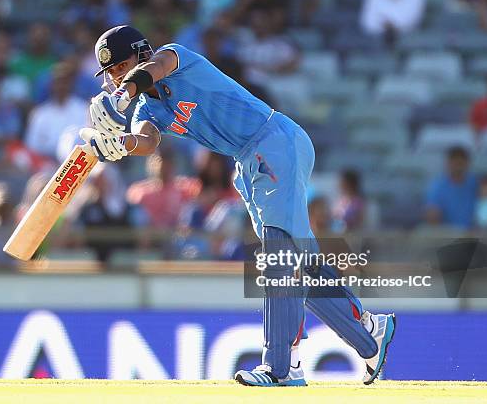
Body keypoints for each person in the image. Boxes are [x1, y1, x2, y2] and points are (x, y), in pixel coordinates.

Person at [80, 25, 396, 387]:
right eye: (111, 73)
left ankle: (282, 367)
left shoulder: (173, 57)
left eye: (121, 66)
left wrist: (125, 90)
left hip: (273, 139)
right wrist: (120, 145)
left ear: (139, 53)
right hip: (248, 161)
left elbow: (156, 68)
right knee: (298, 264)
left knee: (279, 254)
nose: (117, 77)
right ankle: (370, 333)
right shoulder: (145, 109)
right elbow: (146, 142)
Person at [425, 146, 478, 230]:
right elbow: (432, 216)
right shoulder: (437, 186)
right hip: (447, 234)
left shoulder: (476, 184)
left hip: (473, 233)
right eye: (455, 163)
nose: (458, 167)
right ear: (448, 163)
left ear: (467, 163)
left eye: (460, 163)